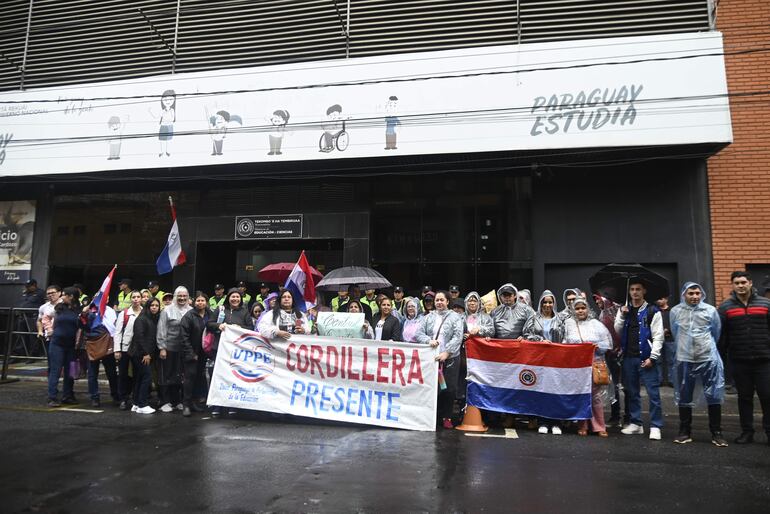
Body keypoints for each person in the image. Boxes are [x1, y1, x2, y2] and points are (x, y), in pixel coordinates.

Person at [670, 282, 727, 447]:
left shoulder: (710, 310)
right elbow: (675, 332)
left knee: (713, 395)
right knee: (684, 395)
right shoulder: (676, 311)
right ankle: (684, 431)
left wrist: (705, 346)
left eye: (697, 293)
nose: (694, 296)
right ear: (684, 295)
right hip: (684, 359)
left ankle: (716, 432)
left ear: (701, 295)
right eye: (691, 293)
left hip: (707, 357)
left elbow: (716, 332)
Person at [718, 271, 770, 445]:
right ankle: (747, 432)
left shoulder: (765, 304)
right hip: (739, 361)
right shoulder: (726, 308)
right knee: (744, 398)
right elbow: (722, 336)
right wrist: (721, 360)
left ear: (750, 283)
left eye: (743, 282)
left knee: (767, 396)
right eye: (736, 283)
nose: (740, 286)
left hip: (764, 360)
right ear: (733, 285)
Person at [614, 280, 664, 440]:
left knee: (653, 393)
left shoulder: (652, 311)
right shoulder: (624, 309)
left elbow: (658, 336)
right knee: (632, 393)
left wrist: (653, 357)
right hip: (629, 357)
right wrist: (622, 314)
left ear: (644, 291)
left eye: (638, 289)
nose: (635, 292)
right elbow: (617, 329)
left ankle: (655, 426)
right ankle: (636, 424)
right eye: (632, 289)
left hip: (646, 358)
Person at [563, 297, 613, 437]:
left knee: (596, 396)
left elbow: (607, 343)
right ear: (573, 310)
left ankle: (599, 426)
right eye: (577, 308)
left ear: (587, 309)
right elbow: (565, 342)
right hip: (577, 365)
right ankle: (582, 425)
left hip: (594, 363)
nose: (580, 311)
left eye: (583, 308)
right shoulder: (569, 324)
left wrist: (598, 347)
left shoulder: (596, 324)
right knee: (581, 395)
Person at [415, 291, 464, 429]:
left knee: (448, 389)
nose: (439, 303)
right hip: (432, 358)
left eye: (442, 300)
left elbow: (458, 336)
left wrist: (447, 352)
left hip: (450, 359)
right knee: (432, 388)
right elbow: (418, 333)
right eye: (437, 300)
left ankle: (447, 416)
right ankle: (432, 417)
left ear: (448, 301)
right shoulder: (428, 317)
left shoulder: (455, 317)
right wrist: (428, 340)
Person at [206, 288, 253, 417]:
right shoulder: (220, 309)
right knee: (218, 376)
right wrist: (218, 326)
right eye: (233, 297)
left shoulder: (244, 312)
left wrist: (240, 328)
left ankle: (232, 405)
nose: (235, 299)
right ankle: (217, 405)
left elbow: (251, 328)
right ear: (228, 298)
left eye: (237, 297)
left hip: (236, 351)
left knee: (233, 377)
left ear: (241, 299)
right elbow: (209, 324)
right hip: (219, 349)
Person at [156, 286, 192, 413]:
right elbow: (161, 330)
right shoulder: (167, 310)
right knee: (167, 375)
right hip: (169, 348)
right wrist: (162, 348)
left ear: (188, 297)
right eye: (179, 296)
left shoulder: (191, 310)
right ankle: (165, 401)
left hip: (184, 350)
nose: (182, 298)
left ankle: (177, 401)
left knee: (180, 376)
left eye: (184, 296)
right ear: (175, 297)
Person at [46, 288, 83, 407]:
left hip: (72, 345)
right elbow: (45, 318)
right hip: (57, 343)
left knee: (71, 372)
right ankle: (52, 397)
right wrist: (49, 330)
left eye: (64, 295)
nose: (62, 297)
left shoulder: (79, 310)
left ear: (71, 296)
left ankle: (68, 395)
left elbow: (82, 325)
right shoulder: (59, 307)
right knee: (55, 371)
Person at [594, 293, 626, 428]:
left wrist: (618, 348)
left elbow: (618, 331)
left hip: (618, 353)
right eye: (595, 301)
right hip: (608, 353)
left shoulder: (616, 312)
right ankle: (616, 416)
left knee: (620, 386)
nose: (597, 303)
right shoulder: (602, 314)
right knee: (612, 385)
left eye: (598, 300)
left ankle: (621, 417)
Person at [180, 292, 212, 417]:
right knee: (189, 378)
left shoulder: (210, 314)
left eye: (203, 300)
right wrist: (191, 353)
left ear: (206, 302)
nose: (200, 303)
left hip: (204, 353)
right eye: (198, 300)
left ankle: (194, 402)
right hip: (191, 353)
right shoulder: (189, 316)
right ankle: (186, 404)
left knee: (199, 377)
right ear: (194, 302)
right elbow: (184, 336)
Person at [129, 298, 160, 414]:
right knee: (146, 377)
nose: (154, 307)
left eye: (157, 305)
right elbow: (139, 337)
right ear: (148, 306)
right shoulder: (142, 319)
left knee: (139, 378)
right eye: (152, 305)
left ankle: (136, 403)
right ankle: (142, 404)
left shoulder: (151, 319)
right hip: (140, 354)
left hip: (142, 353)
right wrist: (146, 353)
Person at [84, 302, 119, 408]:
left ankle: (116, 395)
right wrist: (85, 313)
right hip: (93, 344)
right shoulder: (89, 311)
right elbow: (82, 324)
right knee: (92, 374)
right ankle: (94, 397)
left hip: (107, 342)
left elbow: (115, 326)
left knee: (111, 372)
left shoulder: (111, 311)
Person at [114, 290, 142, 410]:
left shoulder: (144, 313)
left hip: (139, 349)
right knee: (123, 375)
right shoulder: (124, 313)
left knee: (137, 374)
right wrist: (117, 349)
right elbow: (118, 332)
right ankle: (123, 399)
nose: (136, 299)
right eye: (133, 297)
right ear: (131, 299)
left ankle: (135, 398)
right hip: (125, 348)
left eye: (138, 297)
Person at [37, 285, 62, 362]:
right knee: (51, 359)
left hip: (64, 336)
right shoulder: (43, 307)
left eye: (53, 293)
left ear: (59, 293)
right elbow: (39, 320)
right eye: (48, 293)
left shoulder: (65, 304)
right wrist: (40, 331)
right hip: (50, 337)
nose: (51, 295)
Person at [656, 295, 676, 386]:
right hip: (657, 339)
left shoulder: (672, 311)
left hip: (670, 338)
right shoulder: (655, 311)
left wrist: (668, 330)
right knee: (657, 360)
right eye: (658, 299)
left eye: (661, 298)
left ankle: (672, 380)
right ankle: (659, 380)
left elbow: (675, 324)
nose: (659, 301)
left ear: (666, 299)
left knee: (671, 360)